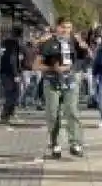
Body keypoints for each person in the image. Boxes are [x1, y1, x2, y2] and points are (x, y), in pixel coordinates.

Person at [35, 17, 88, 158]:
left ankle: (75, 143)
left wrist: (84, 46)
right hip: (52, 82)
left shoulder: (74, 42)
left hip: (71, 81)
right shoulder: (47, 43)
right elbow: (36, 65)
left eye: (69, 28)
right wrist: (54, 68)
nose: (66, 30)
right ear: (57, 27)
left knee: (72, 111)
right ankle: (55, 143)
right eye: (63, 27)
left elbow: (86, 57)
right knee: (53, 114)